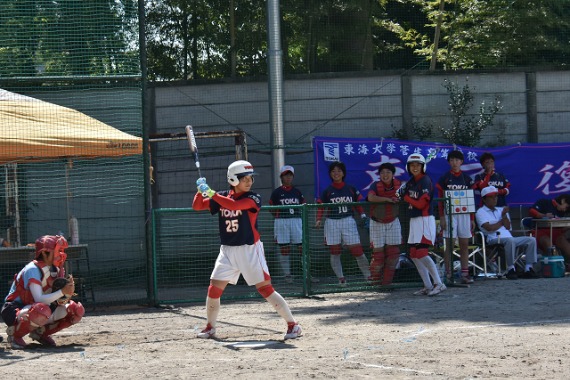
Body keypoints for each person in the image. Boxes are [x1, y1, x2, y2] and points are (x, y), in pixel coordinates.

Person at [192, 160, 302, 340]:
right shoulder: (221, 197)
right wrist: (199, 191)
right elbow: (197, 206)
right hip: (227, 250)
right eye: (244, 178)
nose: (249, 181)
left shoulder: (253, 198)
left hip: (249, 249)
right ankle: (210, 327)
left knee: (265, 289)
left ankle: (293, 325)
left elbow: (234, 206)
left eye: (250, 178)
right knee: (214, 289)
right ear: (233, 179)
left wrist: (210, 193)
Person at [1, 235, 84, 349]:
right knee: (41, 309)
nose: (60, 254)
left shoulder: (58, 269)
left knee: (75, 310)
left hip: (39, 308)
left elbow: (58, 301)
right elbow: (38, 298)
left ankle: (40, 333)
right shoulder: (33, 269)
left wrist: (68, 293)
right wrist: (61, 291)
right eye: (56, 251)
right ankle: (15, 335)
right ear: (44, 253)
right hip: (14, 309)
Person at [315, 161, 371, 286]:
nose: (336, 173)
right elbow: (321, 207)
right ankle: (341, 278)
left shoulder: (350, 189)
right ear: (330, 174)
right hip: (332, 222)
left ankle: (368, 276)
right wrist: (318, 219)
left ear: (343, 173)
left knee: (357, 250)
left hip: (348, 220)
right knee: (335, 251)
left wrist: (362, 215)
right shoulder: (327, 191)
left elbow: (358, 204)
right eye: (333, 171)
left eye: (339, 171)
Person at [400, 153, 446, 296]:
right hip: (414, 220)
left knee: (421, 252)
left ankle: (439, 283)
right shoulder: (410, 182)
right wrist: (400, 192)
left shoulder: (425, 180)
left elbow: (420, 204)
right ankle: (427, 285)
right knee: (413, 254)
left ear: (423, 167)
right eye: (412, 165)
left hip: (424, 219)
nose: (415, 167)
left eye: (418, 165)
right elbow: (400, 195)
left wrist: (405, 196)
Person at [476, 186, 539, 279]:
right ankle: (510, 268)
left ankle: (528, 268)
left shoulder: (501, 210)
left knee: (531, 240)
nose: (494, 199)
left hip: (508, 237)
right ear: (484, 199)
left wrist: (504, 215)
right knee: (510, 241)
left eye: (496, 196)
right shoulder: (480, 212)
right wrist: (501, 222)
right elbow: (489, 228)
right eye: (491, 197)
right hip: (493, 238)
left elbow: (508, 227)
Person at [436, 150, 475, 284]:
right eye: (452, 160)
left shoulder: (467, 179)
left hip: (464, 214)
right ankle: (449, 274)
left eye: (457, 160)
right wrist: (441, 217)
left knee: (464, 244)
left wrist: (472, 219)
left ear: (461, 162)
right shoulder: (444, 178)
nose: (454, 163)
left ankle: (465, 274)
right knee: (450, 245)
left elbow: (471, 200)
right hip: (449, 214)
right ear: (449, 162)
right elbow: (440, 200)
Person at [367, 162, 402, 286]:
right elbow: (371, 198)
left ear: (393, 174)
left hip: (393, 221)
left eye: (388, 172)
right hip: (377, 222)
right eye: (382, 173)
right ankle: (375, 282)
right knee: (378, 256)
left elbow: (406, 197)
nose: (385, 175)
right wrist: (387, 199)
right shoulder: (375, 185)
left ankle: (387, 283)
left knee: (393, 254)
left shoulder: (400, 186)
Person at [269, 165, 305, 283]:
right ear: (281, 177)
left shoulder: (297, 192)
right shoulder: (277, 192)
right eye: (285, 175)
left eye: (290, 175)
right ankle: (287, 275)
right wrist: (278, 215)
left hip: (296, 221)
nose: (288, 177)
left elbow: (304, 205)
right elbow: (271, 207)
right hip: (281, 221)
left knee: (302, 247)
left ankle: (306, 274)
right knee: (284, 249)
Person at [528, 194, 570, 260]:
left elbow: (562, 229)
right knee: (547, 241)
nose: (565, 210)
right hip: (539, 232)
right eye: (566, 207)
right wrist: (544, 215)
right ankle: (554, 265)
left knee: (563, 241)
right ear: (563, 201)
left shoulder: (562, 212)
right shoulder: (544, 202)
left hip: (556, 234)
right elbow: (531, 211)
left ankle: (563, 264)